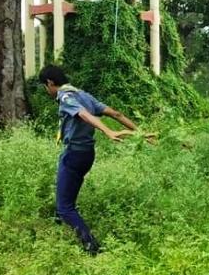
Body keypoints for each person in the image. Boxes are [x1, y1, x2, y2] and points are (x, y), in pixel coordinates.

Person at [40, 64, 141, 255]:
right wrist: (141, 133)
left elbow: (83, 115)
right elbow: (116, 114)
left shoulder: (66, 97)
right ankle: (60, 226)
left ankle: (91, 246)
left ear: (50, 83)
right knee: (65, 197)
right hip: (87, 154)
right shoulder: (84, 95)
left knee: (64, 207)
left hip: (74, 155)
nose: (47, 91)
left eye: (46, 87)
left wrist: (107, 130)